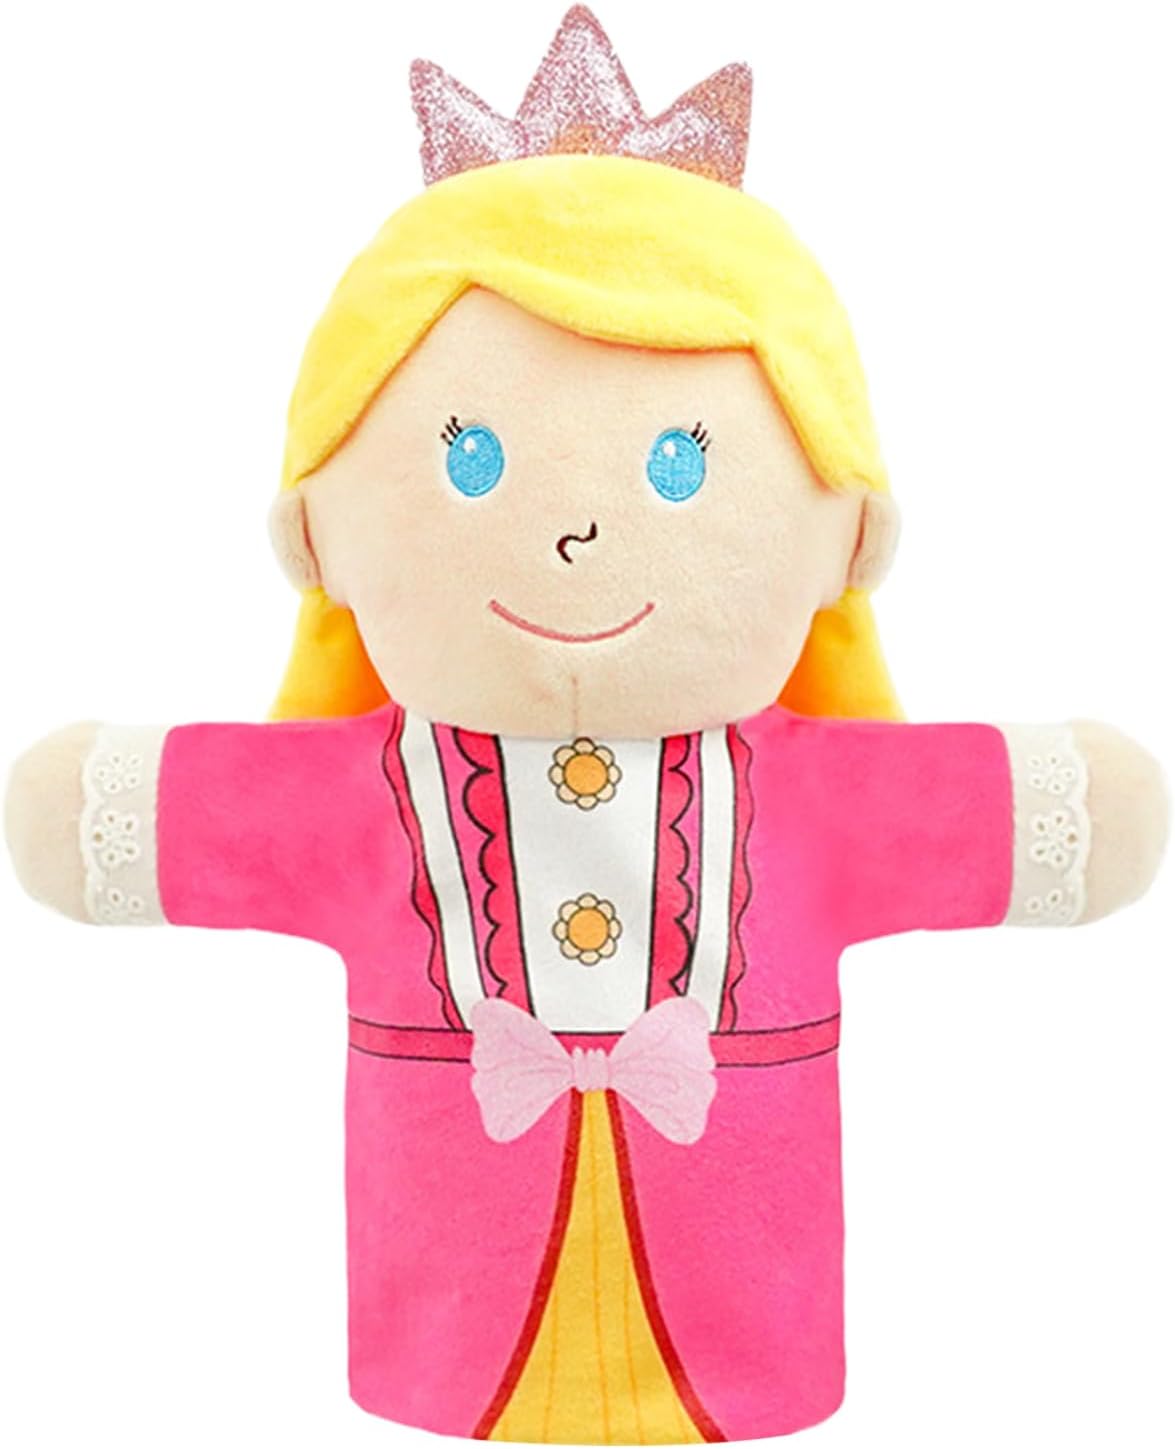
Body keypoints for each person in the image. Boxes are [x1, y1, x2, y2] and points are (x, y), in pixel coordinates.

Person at [5, 7, 1167, 1443]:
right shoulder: (373, 789)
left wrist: (1069, 807)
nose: (576, 532)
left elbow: (987, 816)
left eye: (685, 460)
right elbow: (188, 817)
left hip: (746, 1311)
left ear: (847, 532)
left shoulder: (807, 792)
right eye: (470, 458)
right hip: (448, 1315)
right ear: (318, 531)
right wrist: (100, 809)